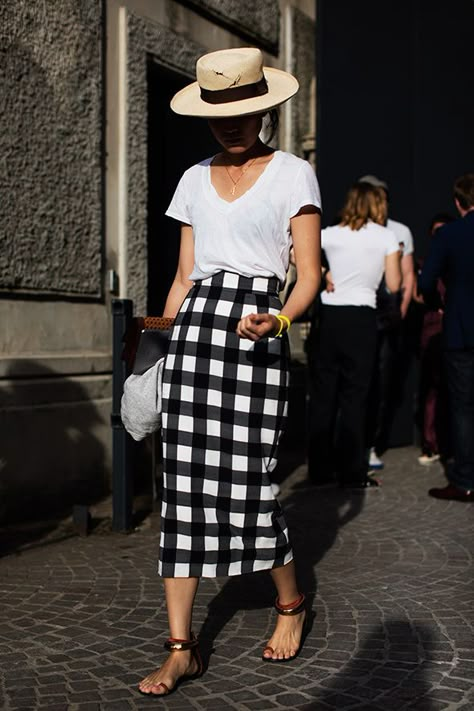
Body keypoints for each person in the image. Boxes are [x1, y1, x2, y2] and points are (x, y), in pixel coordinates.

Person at [138, 47, 322, 696]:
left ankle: (292, 601)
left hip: (255, 331)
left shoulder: (294, 174)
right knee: (181, 489)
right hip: (193, 339)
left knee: (249, 484)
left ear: (266, 106)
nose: (231, 122)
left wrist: (277, 321)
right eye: (219, 112)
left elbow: (308, 273)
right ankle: (182, 645)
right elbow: (185, 277)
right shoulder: (191, 178)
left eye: (243, 109)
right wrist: (157, 353)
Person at [307, 182, 401, 488]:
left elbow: (294, 250)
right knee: (356, 397)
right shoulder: (387, 237)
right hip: (362, 317)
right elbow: (395, 284)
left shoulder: (330, 233)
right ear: (377, 204)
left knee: (323, 396)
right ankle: (351, 472)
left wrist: (323, 273)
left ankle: (319, 471)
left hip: (331, 317)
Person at [419, 173, 474, 502]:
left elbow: (427, 283)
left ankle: (466, 479)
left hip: (461, 329)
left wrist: (440, 303)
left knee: (464, 408)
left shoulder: (449, 234)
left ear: (458, 202)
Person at [358, 175, 416, 470]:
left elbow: (405, 277)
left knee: (380, 384)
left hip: (385, 317)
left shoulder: (398, 231)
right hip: (359, 313)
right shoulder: (353, 230)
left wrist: (401, 310)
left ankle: (370, 445)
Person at [413, 213, 454, 465]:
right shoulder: (427, 263)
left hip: (457, 328)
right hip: (433, 330)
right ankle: (432, 442)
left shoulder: (459, 260)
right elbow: (419, 291)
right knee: (433, 389)